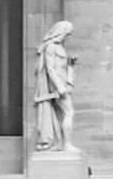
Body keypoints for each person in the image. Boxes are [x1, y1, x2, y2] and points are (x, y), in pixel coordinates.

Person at [31, 20, 80, 153]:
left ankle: (61, 143)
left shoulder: (59, 47)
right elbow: (50, 69)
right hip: (57, 86)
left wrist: (70, 63)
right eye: (68, 33)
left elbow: (62, 67)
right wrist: (60, 87)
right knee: (69, 112)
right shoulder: (51, 46)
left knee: (62, 114)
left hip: (62, 83)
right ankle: (67, 144)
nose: (68, 36)